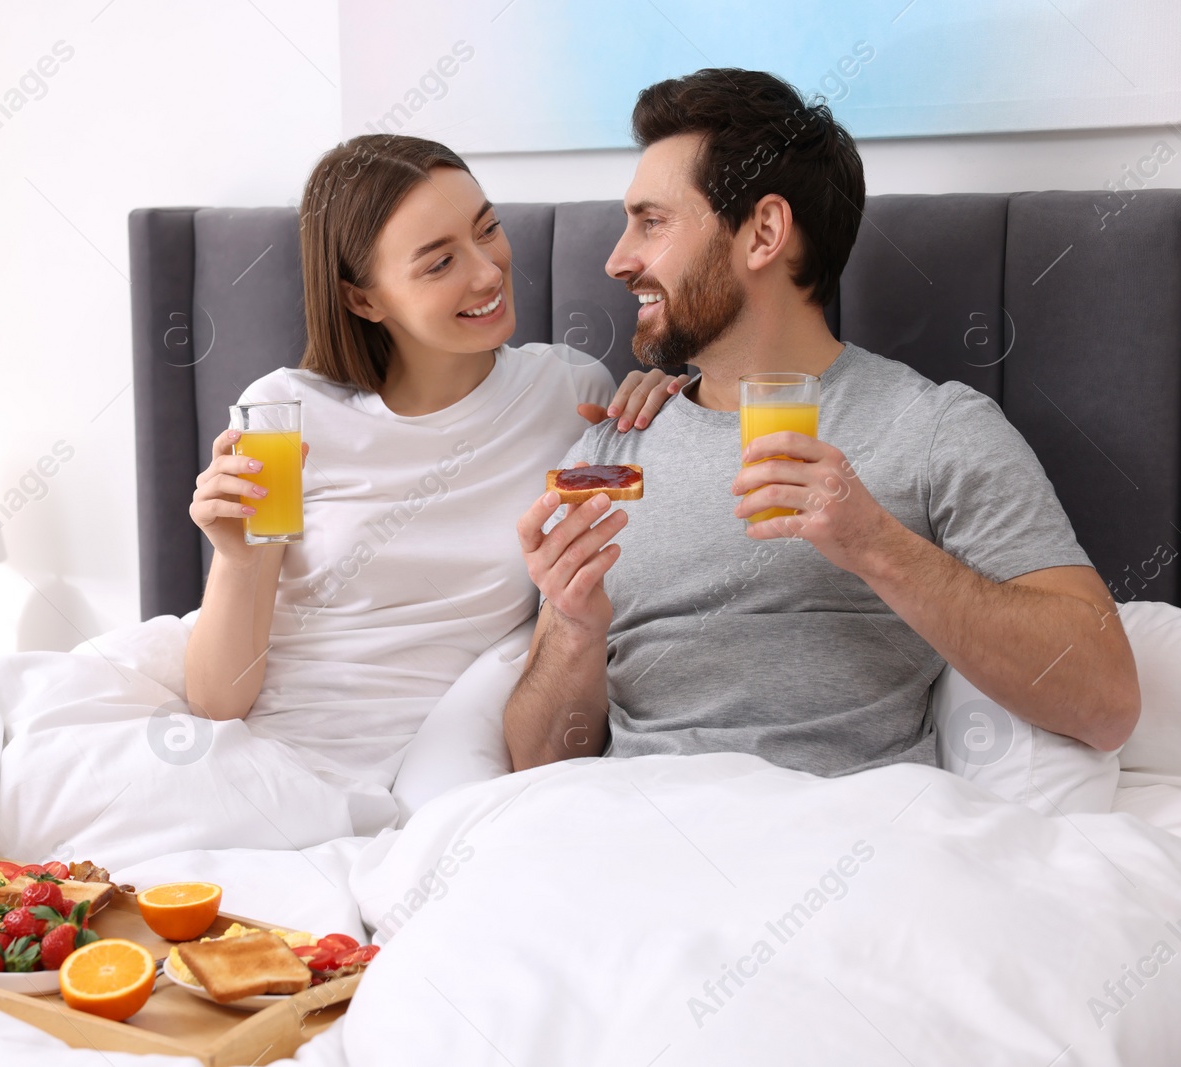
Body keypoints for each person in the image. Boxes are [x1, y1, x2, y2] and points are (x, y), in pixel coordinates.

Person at [505, 69, 1140, 775]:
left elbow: (1106, 700)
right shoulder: (610, 448)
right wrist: (572, 630)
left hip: (834, 841)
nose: (617, 259)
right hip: (629, 834)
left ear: (765, 232)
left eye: (652, 222)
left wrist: (876, 546)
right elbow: (533, 766)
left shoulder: (934, 429)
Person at [184, 134, 687, 818]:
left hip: (448, 769)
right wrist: (238, 557)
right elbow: (218, 701)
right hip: (274, 754)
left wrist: (660, 411)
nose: (487, 273)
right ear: (363, 299)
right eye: (440, 262)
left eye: (489, 230)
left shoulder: (566, 392)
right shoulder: (284, 415)